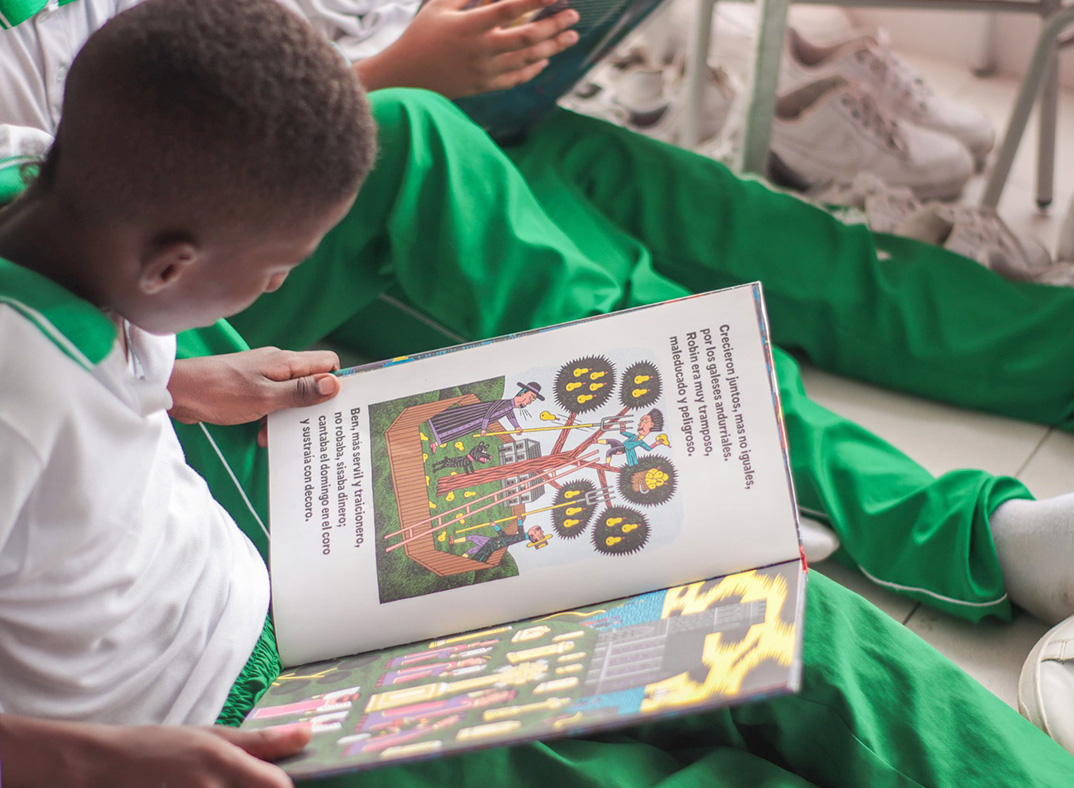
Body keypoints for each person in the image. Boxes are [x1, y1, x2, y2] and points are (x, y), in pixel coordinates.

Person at [3, 2, 1074, 786]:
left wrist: (179, 380)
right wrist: (102, 759)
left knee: (777, 618)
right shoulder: (19, 397)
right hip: (231, 723)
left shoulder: (75, 232)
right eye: (277, 271)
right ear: (169, 267)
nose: (278, 291)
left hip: (280, 585)